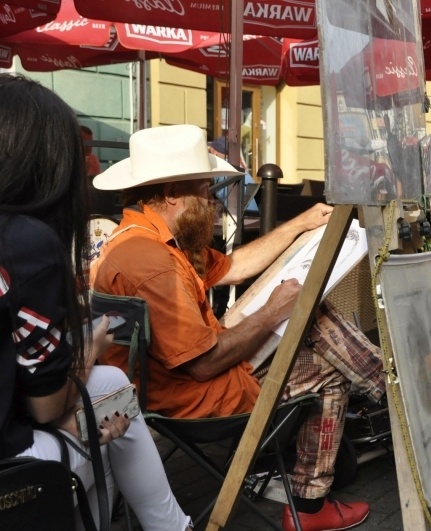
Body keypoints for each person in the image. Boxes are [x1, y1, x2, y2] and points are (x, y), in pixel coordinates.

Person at [90, 124, 385, 531]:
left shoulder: (145, 238)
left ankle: (386, 386)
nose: (212, 201)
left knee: (312, 320)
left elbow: (233, 267)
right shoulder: (153, 262)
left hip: (176, 385)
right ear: (173, 193)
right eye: (205, 189)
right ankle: (386, 394)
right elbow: (204, 365)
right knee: (322, 349)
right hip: (193, 401)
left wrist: (300, 224)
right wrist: (271, 313)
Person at [0, 74, 191, 530]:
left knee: (107, 389)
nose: (88, 165)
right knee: (108, 412)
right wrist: (91, 345)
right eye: (79, 154)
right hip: (10, 469)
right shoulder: (27, 244)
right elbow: (46, 406)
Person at [207, 135, 260, 213]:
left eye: (210, 152)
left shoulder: (217, 169)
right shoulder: (242, 170)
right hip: (253, 216)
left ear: (215, 153)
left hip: (237, 217)